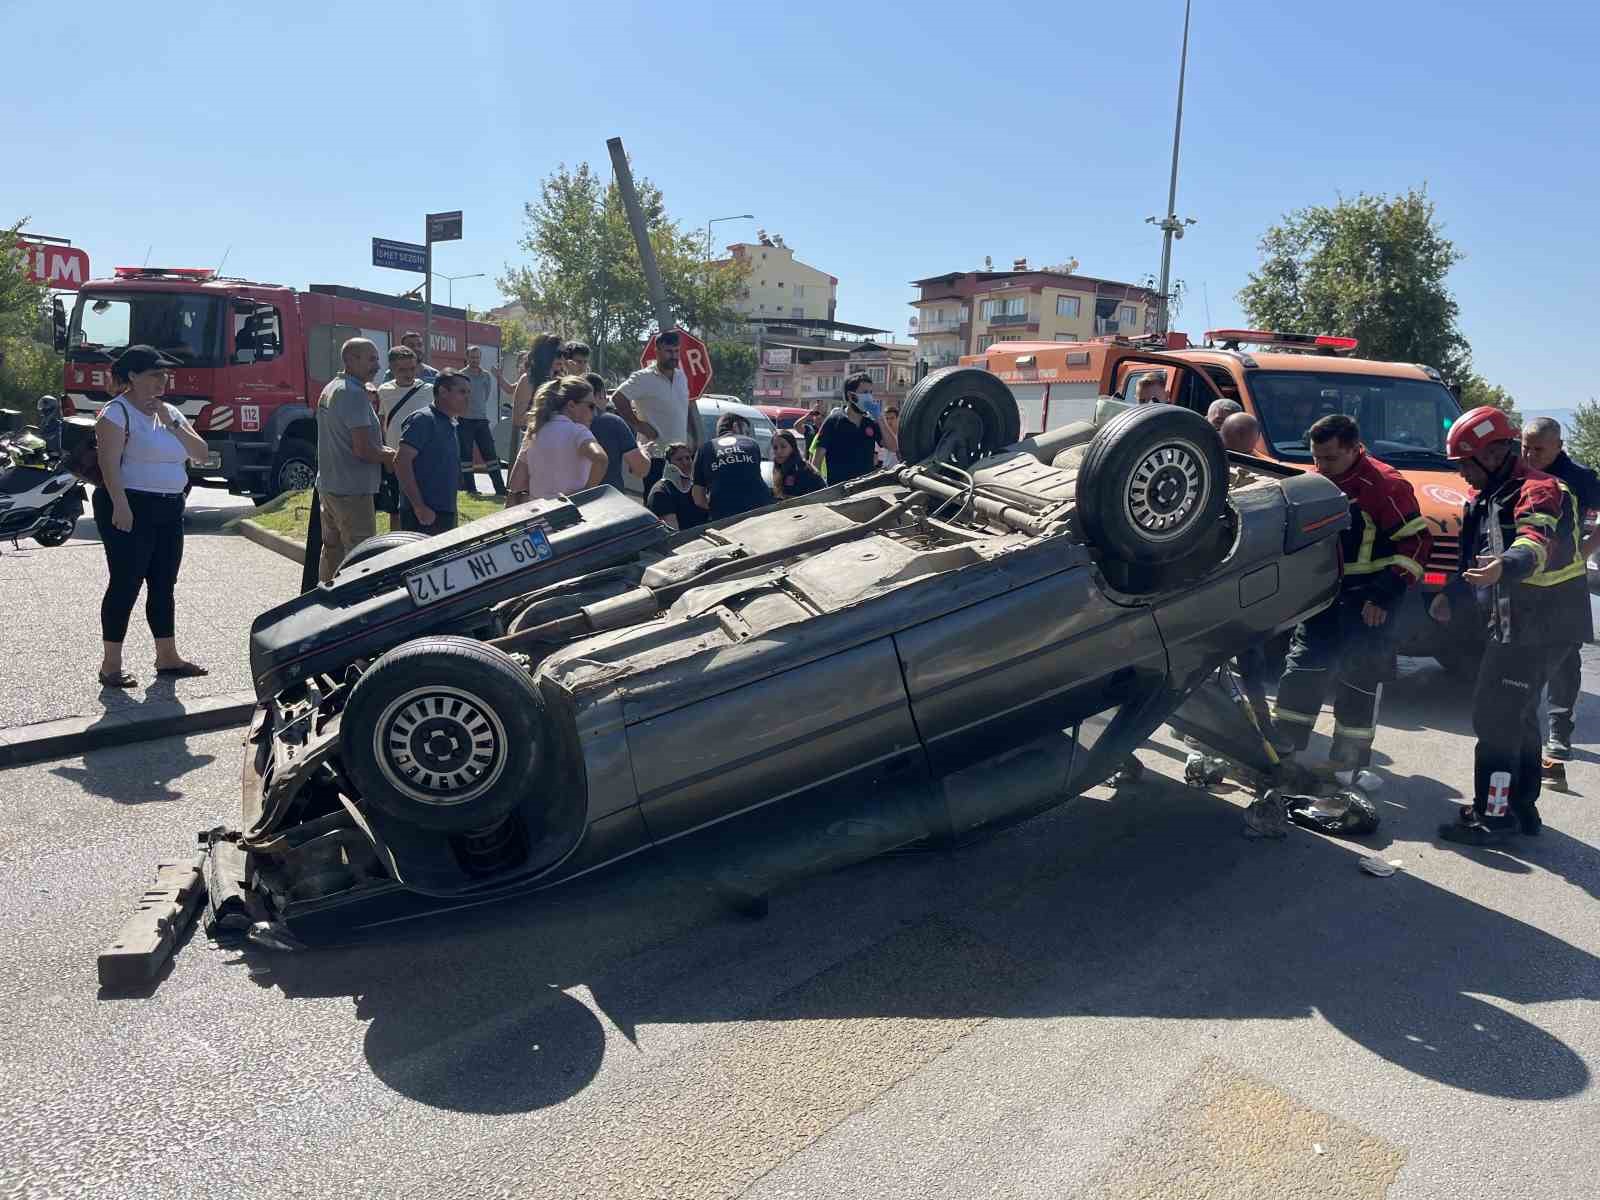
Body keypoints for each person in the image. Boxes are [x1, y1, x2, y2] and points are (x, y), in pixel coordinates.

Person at [1433, 406, 1588, 844]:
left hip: (1540, 626)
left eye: (1467, 462)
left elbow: (1532, 539)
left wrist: (1506, 564)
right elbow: (1475, 553)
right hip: (1522, 624)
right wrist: (1451, 592)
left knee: (1496, 718)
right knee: (1516, 716)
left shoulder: (1539, 490)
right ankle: (1521, 807)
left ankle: (1494, 816)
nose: (1463, 473)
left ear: (1498, 452)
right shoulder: (1489, 493)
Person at [1274, 414, 1430, 789]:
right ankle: (1283, 751)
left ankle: (1348, 762)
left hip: (1368, 602)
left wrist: (1384, 594)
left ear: (1353, 448)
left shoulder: (1385, 485)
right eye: (1315, 458)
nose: (1319, 467)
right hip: (1322, 596)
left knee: (1360, 677)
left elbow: (1418, 543)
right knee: (1303, 669)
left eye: (1328, 458)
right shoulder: (1313, 482)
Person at [92, 345, 212, 688]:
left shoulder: (171, 411)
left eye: (165, 375)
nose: (162, 381)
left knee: (163, 583)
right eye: (154, 375)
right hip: (130, 504)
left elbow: (201, 453)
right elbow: (108, 464)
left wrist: (173, 422)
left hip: (169, 506)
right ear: (132, 376)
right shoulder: (115, 413)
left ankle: (167, 656)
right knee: (126, 582)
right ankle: (111, 665)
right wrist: (120, 504)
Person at [1519, 416, 1600, 784]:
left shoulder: (1579, 475)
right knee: (1523, 649)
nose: (1531, 455)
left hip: (1566, 580)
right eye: (1526, 447)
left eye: (1539, 449)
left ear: (1558, 446)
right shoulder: (1518, 472)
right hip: (1527, 580)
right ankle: (1521, 725)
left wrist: (1584, 553)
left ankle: (1558, 732)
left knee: (1565, 655)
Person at [315, 337, 397, 582]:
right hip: (352, 491)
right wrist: (391, 455)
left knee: (332, 550)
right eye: (371, 359)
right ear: (351, 359)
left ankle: (324, 601)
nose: (378, 365)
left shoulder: (332, 387)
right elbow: (363, 449)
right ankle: (356, 610)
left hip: (331, 485)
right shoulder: (353, 393)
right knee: (360, 556)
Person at [613, 331, 696, 495]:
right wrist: (639, 425)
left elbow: (685, 407)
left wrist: (694, 438)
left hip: (681, 456)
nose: (673, 356)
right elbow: (618, 398)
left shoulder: (681, 377)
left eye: (676, 351)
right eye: (668, 351)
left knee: (682, 504)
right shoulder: (643, 378)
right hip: (656, 455)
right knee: (657, 503)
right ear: (657, 351)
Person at [507, 375, 608, 502]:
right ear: (571, 405)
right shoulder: (579, 432)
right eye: (591, 406)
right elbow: (601, 459)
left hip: (539, 516)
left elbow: (516, 484)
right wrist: (584, 493)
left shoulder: (534, 433)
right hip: (574, 515)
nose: (594, 413)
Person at [395, 370, 470, 534]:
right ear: (443, 391)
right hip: (424, 516)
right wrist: (419, 506)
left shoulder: (450, 422)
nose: (467, 397)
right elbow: (401, 462)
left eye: (468, 392)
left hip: (444, 512)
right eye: (462, 392)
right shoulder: (423, 419)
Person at [693, 411, 772, 521]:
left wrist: (717, 508)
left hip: (724, 515)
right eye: (746, 431)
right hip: (758, 510)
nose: (747, 435)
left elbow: (698, 498)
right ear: (735, 426)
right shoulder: (752, 443)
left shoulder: (704, 449)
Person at [581, 373, 649, 494]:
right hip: (609, 501)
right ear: (601, 394)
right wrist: (642, 449)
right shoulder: (612, 422)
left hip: (572, 500)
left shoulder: (564, 422)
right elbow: (641, 469)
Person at [810, 373, 882, 485]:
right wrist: (819, 489)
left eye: (870, 392)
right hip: (839, 492)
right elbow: (817, 460)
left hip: (866, 491)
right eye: (864, 392)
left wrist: (880, 418)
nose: (869, 396)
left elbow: (893, 446)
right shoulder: (833, 421)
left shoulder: (871, 422)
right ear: (850, 395)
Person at [456, 346, 506, 497]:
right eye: (472, 357)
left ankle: (500, 489)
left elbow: (485, 396)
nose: (475, 360)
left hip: (482, 420)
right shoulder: (461, 376)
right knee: (466, 457)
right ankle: (470, 489)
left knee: (490, 455)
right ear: (467, 357)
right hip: (465, 421)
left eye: (477, 357)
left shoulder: (485, 376)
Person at [506, 334, 564, 443]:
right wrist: (547, 414)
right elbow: (518, 420)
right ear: (544, 354)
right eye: (558, 354)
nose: (562, 358)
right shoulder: (528, 380)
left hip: (555, 443)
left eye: (564, 354)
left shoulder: (561, 380)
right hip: (532, 444)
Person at [376, 346, 433, 450]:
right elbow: (380, 423)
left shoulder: (429, 390)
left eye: (412, 368)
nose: (409, 374)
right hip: (393, 452)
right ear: (392, 370)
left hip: (423, 452)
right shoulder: (383, 391)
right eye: (402, 370)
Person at [646, 442, 706, 530]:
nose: (685, 463)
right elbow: (673, 533)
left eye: (688, 458)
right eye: (679, 459)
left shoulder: (697, 487)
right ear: (668, 464)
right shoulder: (661, 492)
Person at [771, 429, 827, 499]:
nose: (778, 451)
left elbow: (794, 499)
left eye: (783, 446)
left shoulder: (801, 468)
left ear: (793, 448)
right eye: (775, 448)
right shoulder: (780, 467)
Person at [879, 403, 902, 468]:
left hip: (899, 470)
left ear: (898, 418)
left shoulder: (903, 435)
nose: (889, 421)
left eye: (892, 418)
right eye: (886, 418)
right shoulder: (882, 435)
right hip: (885, 469)